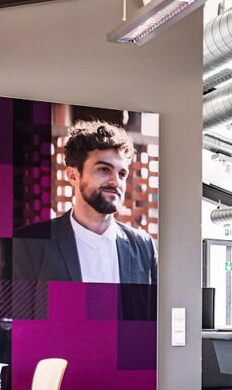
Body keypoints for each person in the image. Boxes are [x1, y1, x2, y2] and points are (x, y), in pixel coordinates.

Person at [12, 120, 157, 284]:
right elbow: (19, 310)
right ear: (73, 176)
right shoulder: (29, 244)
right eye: (104, 169)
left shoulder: (143, 246)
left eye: (122, 174)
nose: (116, 182)